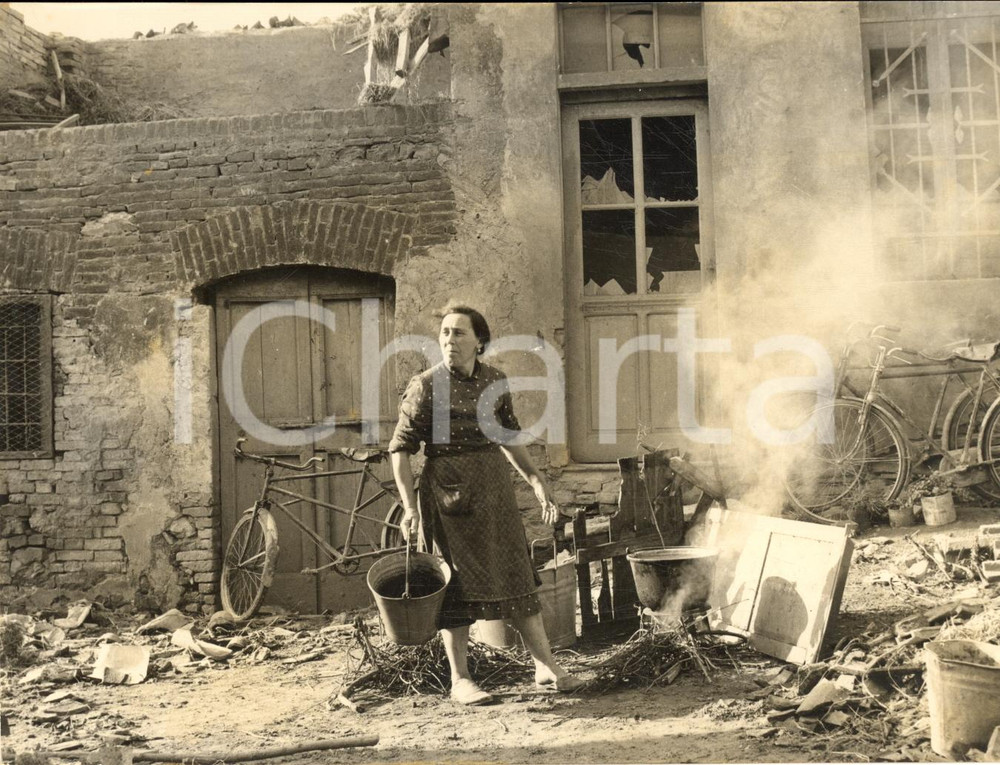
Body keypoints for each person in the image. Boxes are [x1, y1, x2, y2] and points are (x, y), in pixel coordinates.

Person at [388, 302, 584, 706]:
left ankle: (545, 664)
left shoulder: (495, 380)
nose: (449, 340)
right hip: (448, 497)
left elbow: (509, 438)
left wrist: (536, 480)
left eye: (459, 333)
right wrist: (409, 507)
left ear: (480, 342)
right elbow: (399, 450)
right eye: (444, 332)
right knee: (454, 585)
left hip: (494, 492)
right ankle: (460, 679)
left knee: (515, 571)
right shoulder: (426, 385)